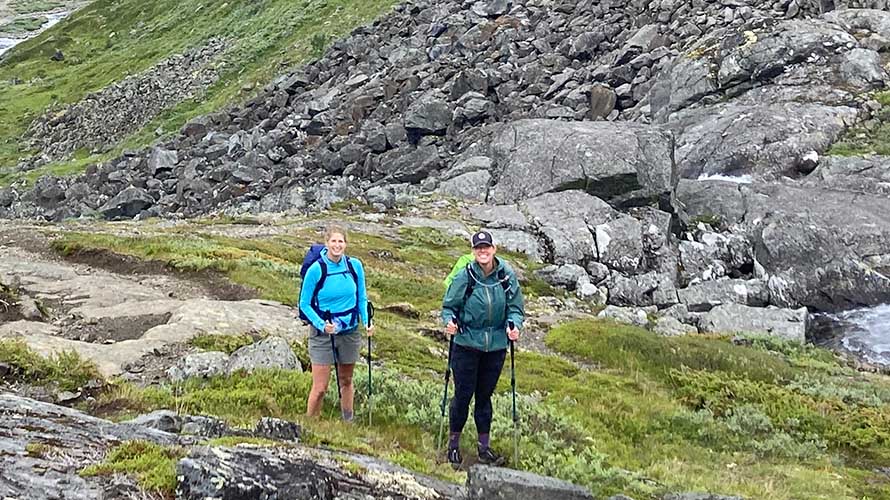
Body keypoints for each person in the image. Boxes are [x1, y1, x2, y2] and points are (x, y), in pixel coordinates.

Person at [441, 230, 525, 468]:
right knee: (463, 396)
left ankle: (483, 448)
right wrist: (449, 321)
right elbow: (449, 306)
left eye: (486, 247)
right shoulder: (465, 276)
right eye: (478, 248)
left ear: (494, 249)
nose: (483, 251)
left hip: (496, 347)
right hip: (466, 344)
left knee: (484, 398)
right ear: (473, 251)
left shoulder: (506, 275)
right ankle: (453, 446)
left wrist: (514, 325)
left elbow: (516, 308)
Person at [300, 224, 374, 421]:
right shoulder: (316, 270)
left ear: (346, 244)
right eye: (333, 241)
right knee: (320, 387)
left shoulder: (354, 266)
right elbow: (304, 304)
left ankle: (347, 422)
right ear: (327, 243)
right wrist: (321, 324)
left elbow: (361, 297)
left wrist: (366, 321)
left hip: (349, 331)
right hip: (322, 334)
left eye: (340, 241)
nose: (337, 245)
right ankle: (309, 423)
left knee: (346, 380)